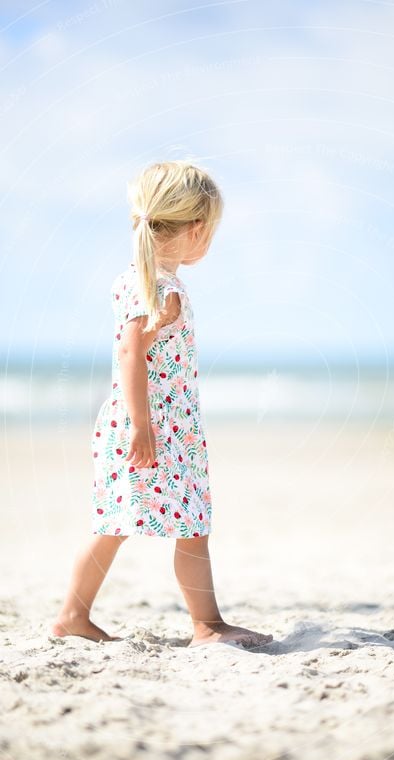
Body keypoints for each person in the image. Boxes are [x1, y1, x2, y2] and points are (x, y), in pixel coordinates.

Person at [52, 160, 273, 649]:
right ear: (196, 230)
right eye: (211, 231)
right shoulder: (166, 293)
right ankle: (207, 625)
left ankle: (72, 614)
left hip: (142, 423)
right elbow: (134, 351)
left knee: (113, 524)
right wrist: (142, 426)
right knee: (191, 527)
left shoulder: (133, 278)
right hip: (159, 430)